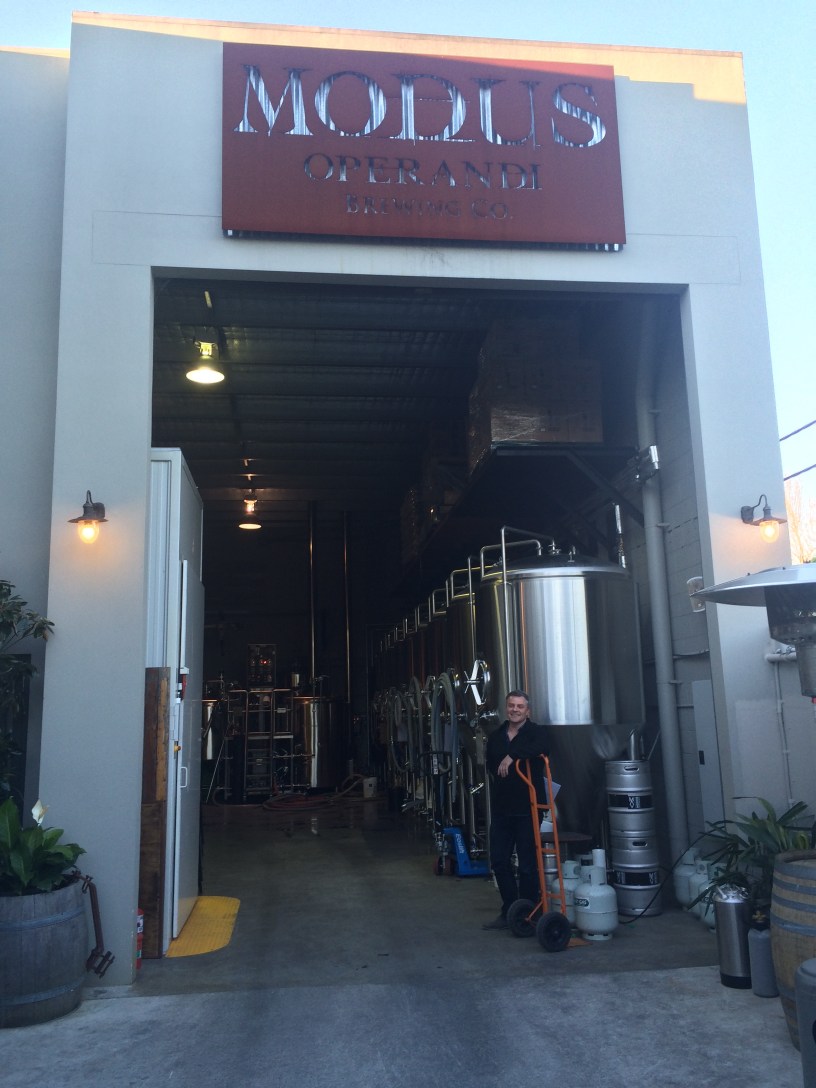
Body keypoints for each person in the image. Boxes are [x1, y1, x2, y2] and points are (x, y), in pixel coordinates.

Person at [482, 690, 549, 930]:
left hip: (528, 808)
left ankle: (529, 913)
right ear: (506, 708)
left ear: (527, 711)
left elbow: (542, 747)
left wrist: (512, 756)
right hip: (502, 808)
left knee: (528, 864)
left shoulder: (536, 733)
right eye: (511, 705)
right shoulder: (496, 736)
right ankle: (511, 910)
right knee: (499, 861)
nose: (515, 710)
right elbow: (490, 764)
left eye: (520, 706)